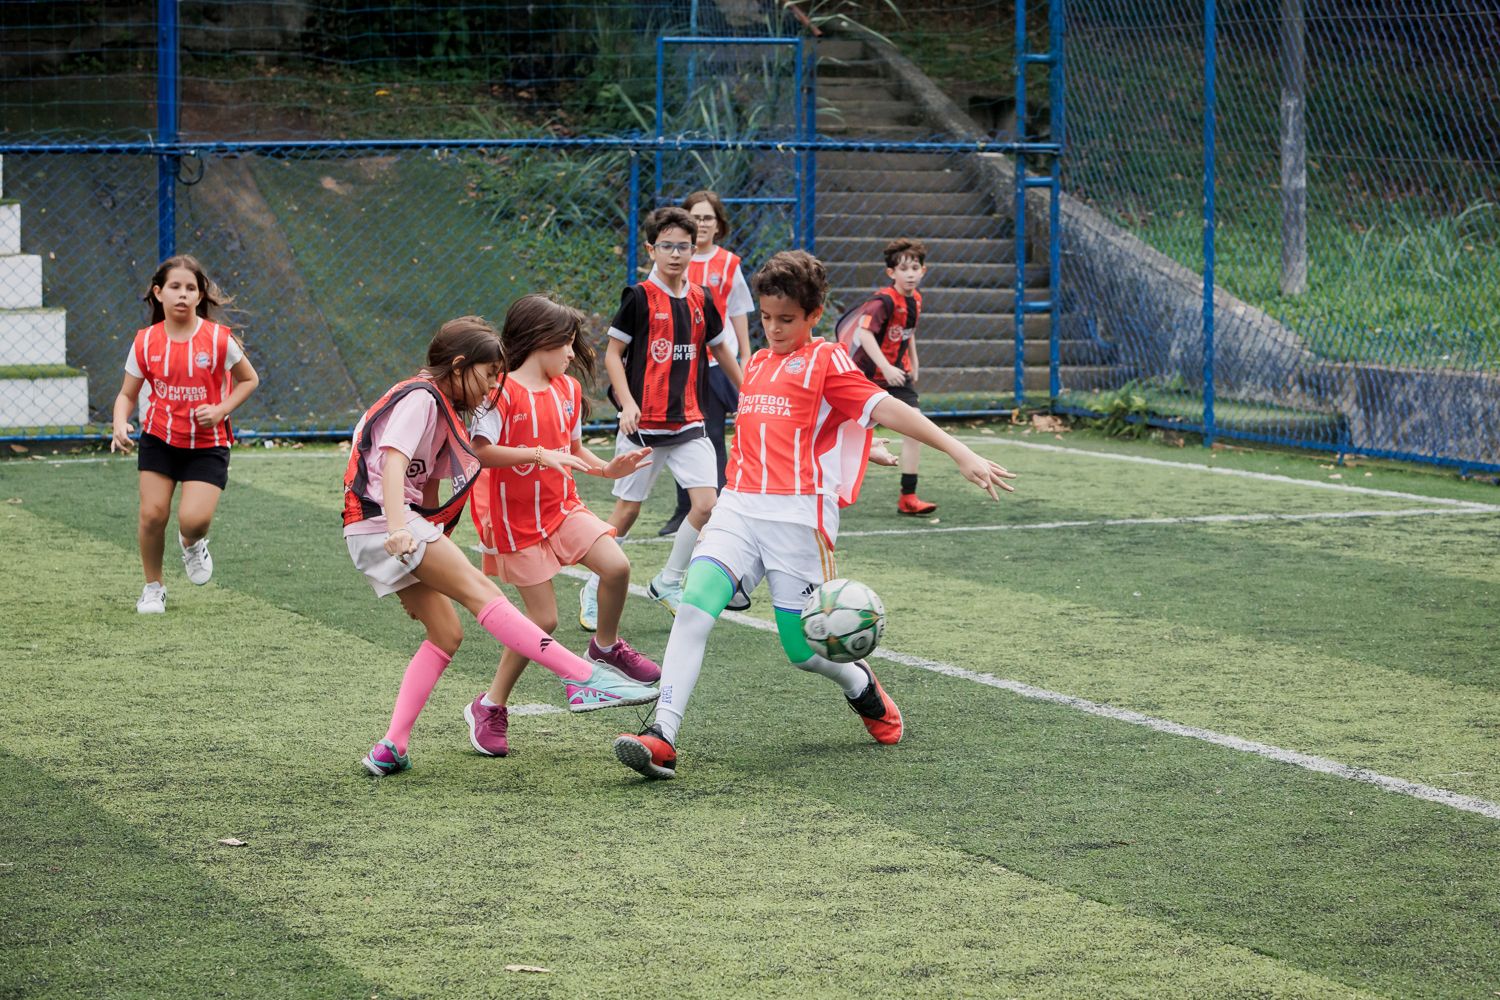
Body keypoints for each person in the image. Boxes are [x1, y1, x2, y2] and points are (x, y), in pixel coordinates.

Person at [613, 250, 1016, 781]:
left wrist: (957, 451)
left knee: (801, 650)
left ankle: (862, 688)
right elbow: (790, 426)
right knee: (693, 608)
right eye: (765, 318)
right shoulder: (757, 361)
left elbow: (885, 407)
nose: (773, 329)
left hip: (797, 519)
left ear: (813, 315)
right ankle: (661, 734)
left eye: (786, 320)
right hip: (738, 508)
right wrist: (847, 441)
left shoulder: (826, 360)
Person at [342, 316, 659, 778]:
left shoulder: (442, 407)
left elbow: (429, 492)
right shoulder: (421, 397)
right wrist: (397, 528)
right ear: (458, 366)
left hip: (381, 530)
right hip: (382, 523)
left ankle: (393, 744)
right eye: (489, 375)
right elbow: (393, 461)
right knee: (484, 594)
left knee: (446, 634)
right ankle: (583, 678)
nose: (493, 386)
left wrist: (421, 560)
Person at [464, 294, 662, 758]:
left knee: (616, 566)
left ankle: (605, 647)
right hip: (515, 521)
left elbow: (572, 448)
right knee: (543, 621)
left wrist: (606, 470)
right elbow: (480, 452)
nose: (573, 354)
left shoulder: (567, 391)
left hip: (562, 507)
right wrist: (536, 455)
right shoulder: (499, 392)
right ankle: (490, 705)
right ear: (540, 341)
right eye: (566, 344)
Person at [577, 206, 743, 629]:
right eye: (666, 246)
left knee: (707, 504)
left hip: (689, 424)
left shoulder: (703, 298)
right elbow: (614, 355)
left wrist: (750, 394)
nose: (675, 254)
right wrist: (628, 403)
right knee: (626, 514)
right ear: (651, 248)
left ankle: (669, 580)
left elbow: (723, 350)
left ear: (693, 248)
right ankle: (593, 587)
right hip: (643, 429)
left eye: (682, 246)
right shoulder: (637, 298)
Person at [109, 255, 260, 614]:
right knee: (152, 514)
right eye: (174, 287)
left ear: (199, 295)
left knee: (194, 520)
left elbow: (249, 380)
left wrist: (222, 409)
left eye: (190, 288)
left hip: (207, 445)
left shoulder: (219, 340)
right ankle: (153, 587)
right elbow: (127, 394)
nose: (182, 294)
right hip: (160, 439)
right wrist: (119, 423)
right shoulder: (145, 342)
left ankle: (192, 543)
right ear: (158, 293)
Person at [658, 190, 754, 547]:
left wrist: (744, 352)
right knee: (680, 437)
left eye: (707, 218)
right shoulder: (672, 257)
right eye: (695, 217)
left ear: (718, 224)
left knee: (713, 435)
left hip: (716, 362)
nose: (701, 224)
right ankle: (684, 510)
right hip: (679, 364)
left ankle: (722, 511)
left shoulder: (728, 263)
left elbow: (739, 310)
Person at [835, 237, 937, 515]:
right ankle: (831, 488)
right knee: (842, 431)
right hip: (867, 375)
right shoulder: (882, 301)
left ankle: (908, 496)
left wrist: (913, 362)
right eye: (904, 269)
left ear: (923, 270)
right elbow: (863, 334)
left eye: (915, 267)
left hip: (897, 375)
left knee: (915, 428)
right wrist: (886, 367)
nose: (911, 273)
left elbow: (908, 332)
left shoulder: (916, 300)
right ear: (891, 273)